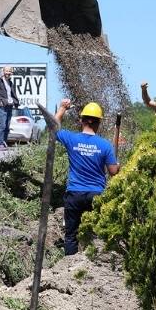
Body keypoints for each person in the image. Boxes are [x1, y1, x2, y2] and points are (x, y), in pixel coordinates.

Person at [53, 100, 120, 255]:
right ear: (98, 123)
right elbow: (113, 172)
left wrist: (62, 108)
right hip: (96, 195)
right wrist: (118, 165)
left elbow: (53, 127)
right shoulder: (105, 145)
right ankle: (92, 264)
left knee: (71, 235)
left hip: (74, 194)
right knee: (96, 235)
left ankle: (69, 268)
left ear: (82, 120)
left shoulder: (71, 139)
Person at [0, 66, 19, 150]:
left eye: (10, 71)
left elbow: (13, 95)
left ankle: (4, 142)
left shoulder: (10, 83)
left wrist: (16, 102)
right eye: (6, 71)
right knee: (2, 126)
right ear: (3, 72)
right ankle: (0, 144)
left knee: (7, 126)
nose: (8, 73)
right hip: (2, 107)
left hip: (10, 106)